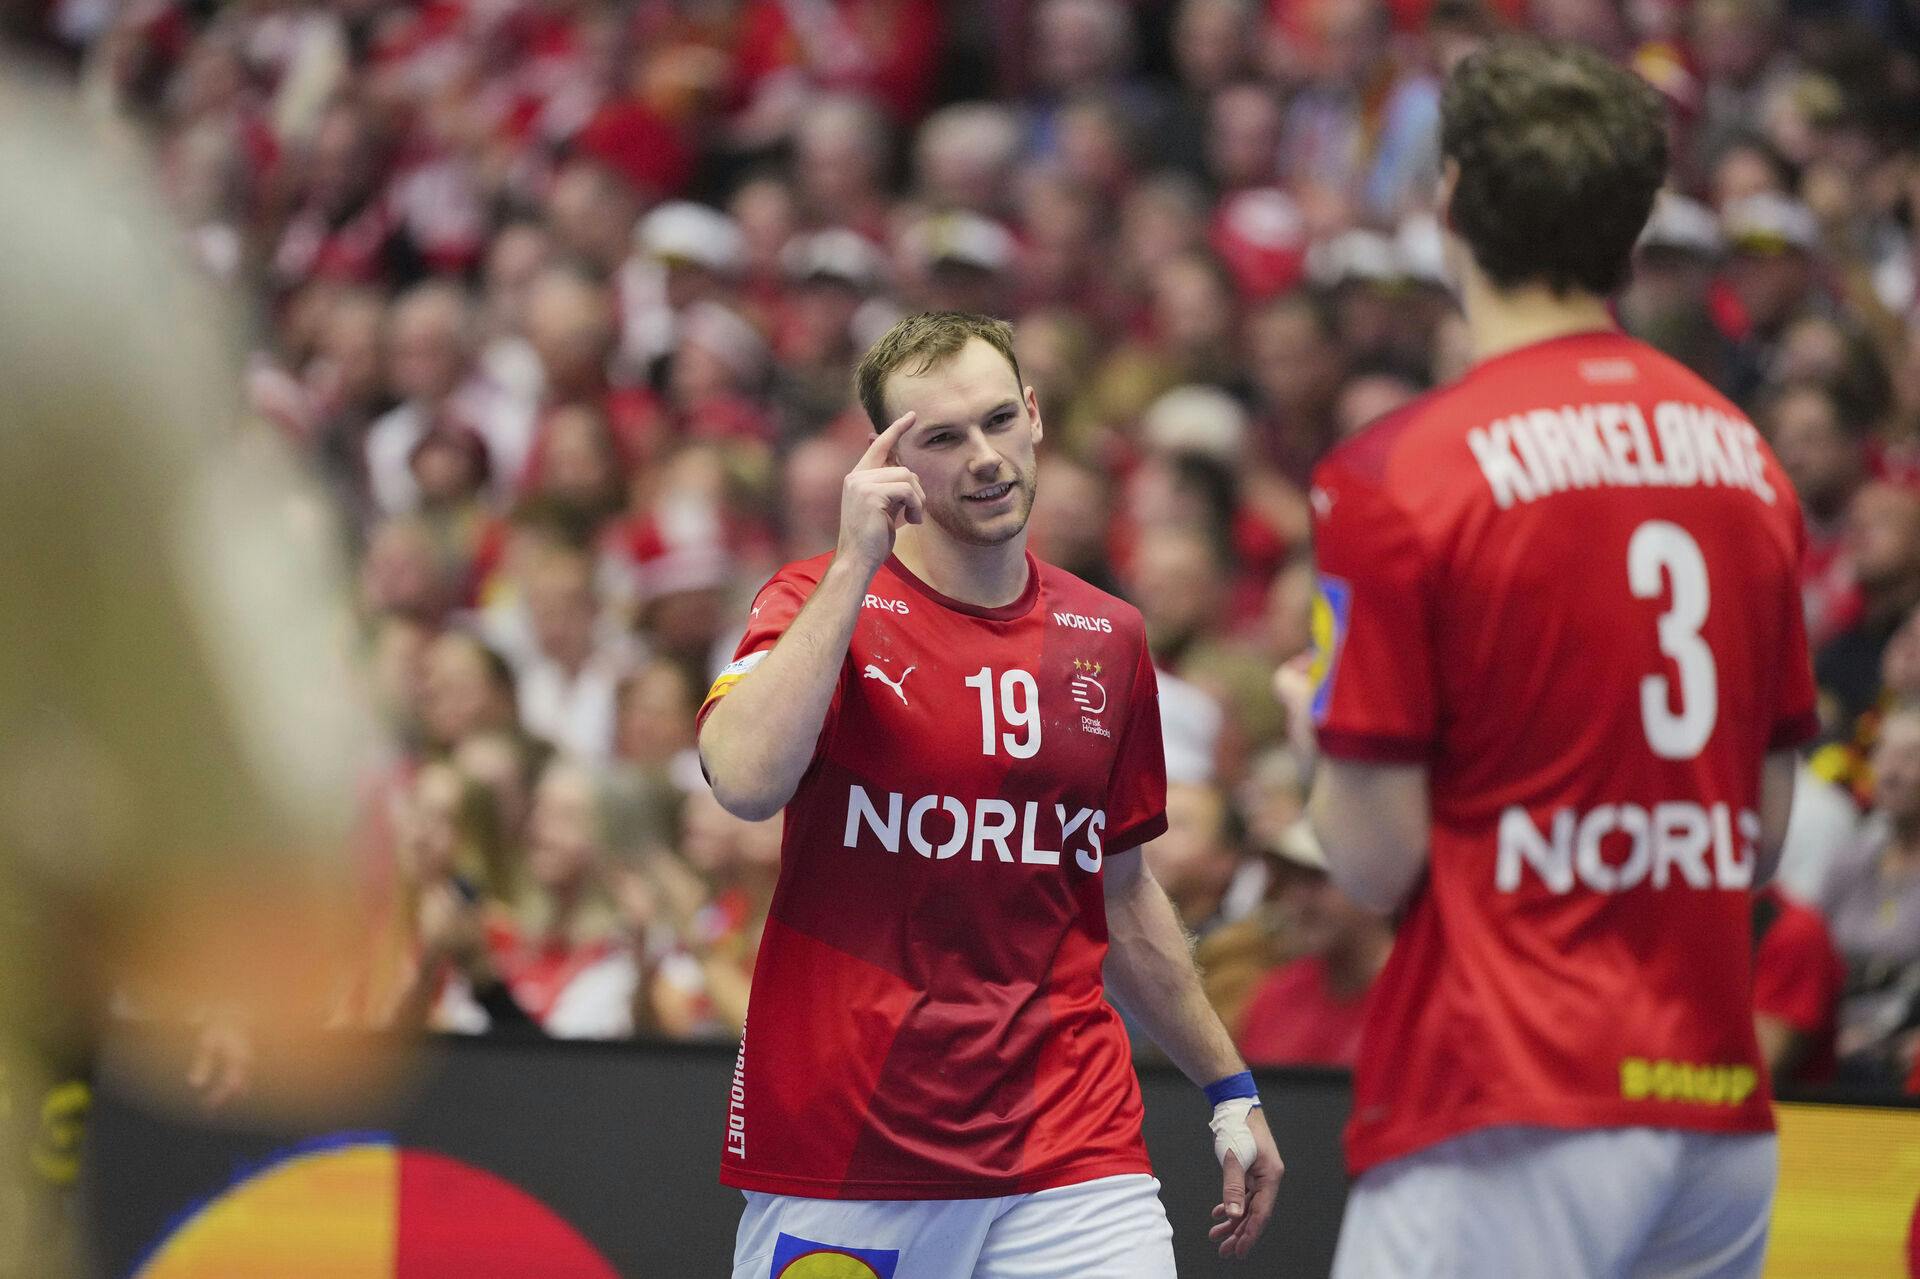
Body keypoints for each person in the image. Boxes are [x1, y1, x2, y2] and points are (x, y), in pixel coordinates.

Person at [1278, 40, 1815, 1277]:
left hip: (1509, 1093)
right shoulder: (1745, 457)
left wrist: (1325, 735)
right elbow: (1765, 833)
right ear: (1635, 229)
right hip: (1715, 1104)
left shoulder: (1400, 472)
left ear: (1451, 199)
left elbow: (1370, 862)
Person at [696, 312, 1282, 1274]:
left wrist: (1228, 1086)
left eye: (1000, 420)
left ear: (1037, 416)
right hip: (852, 1142)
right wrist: (854, 563)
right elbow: (746, 781)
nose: (984, 457)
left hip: (1068, 1140)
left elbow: (1122, 892)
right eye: (941, 437)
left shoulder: (1110, 635)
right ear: (887, 459)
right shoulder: (811, 599)